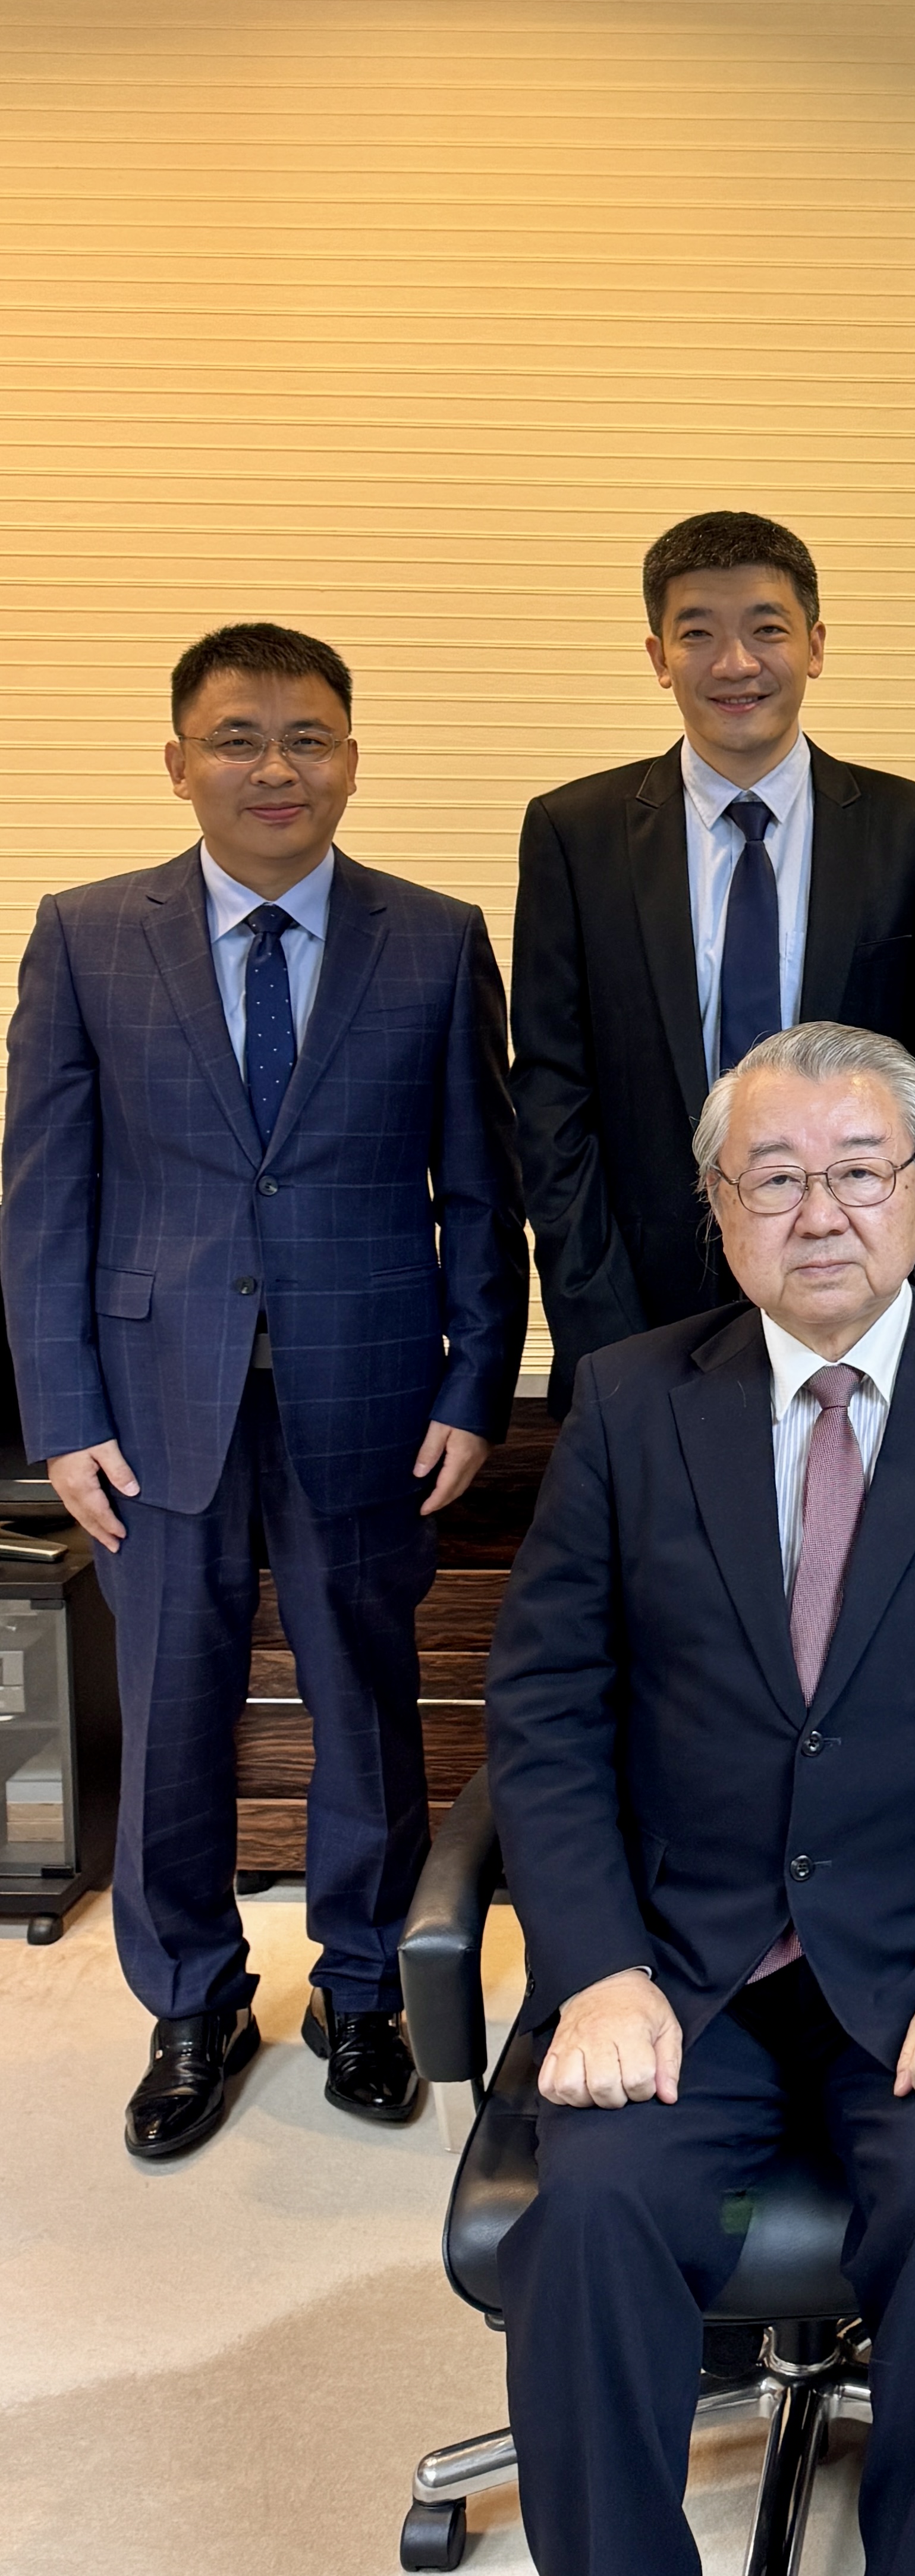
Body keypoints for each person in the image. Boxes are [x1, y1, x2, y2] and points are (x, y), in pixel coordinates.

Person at [485, 1021, 915, 2576]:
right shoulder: (629, 1400)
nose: (820, 1213)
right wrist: (595, 1968)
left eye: (859, 1171)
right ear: (718, 1209)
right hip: (683, 1964)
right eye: (772, 1177)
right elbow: (546, 1708)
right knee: (589, 2218)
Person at [2, 623, 526, 2158]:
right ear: (179, 762)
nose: (275, 767)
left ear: (352, 760)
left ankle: (364, 1992)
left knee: (365, 1703)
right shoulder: (87, 935)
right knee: (173, 1708)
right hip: (149, 1396)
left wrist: (476, 1383)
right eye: (239, 737)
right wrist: (62, 1413)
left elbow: (482, 1189)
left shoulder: (434, 939)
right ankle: (192, 2004)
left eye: (308, 738)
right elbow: (44, 1196)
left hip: (374, 1392)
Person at [512, 509, 915, 1407]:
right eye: (698, 634)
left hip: (863, 1294)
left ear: (815, 645)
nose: (735, 664)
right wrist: (596, 1309)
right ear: (659, 656)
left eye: (767, 629)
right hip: (639, 1303)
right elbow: (551, 1095)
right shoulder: (576, 834)